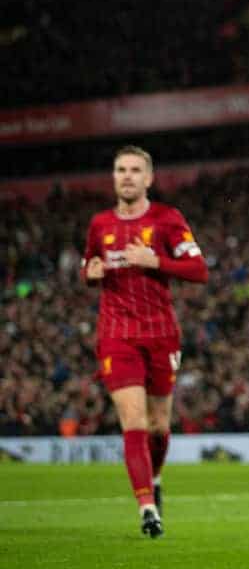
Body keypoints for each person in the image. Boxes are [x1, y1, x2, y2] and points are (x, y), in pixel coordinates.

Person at [81, 145, 208, 537]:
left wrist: (157, 262)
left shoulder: (167, 219)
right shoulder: (100, 224)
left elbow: (199, 270)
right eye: (121, 169)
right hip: (116, 334)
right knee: (133, 420)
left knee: (157, 425)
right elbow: (88, 264)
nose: (127, 176)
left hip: (161, 334)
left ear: (149, 178)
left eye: (135, 170)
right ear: (114, 176)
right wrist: (92, 272)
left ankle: (154, 480)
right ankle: (147, 507)